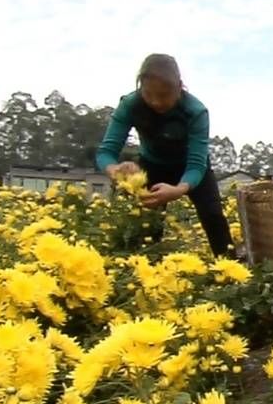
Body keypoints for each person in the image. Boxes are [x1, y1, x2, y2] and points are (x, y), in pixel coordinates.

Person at [96, 53, 237, 258]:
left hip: (191, 167)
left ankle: (230, 268)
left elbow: (197, 164)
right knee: (147, 225)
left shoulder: (195, 111)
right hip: (152, 165)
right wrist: (115, 169)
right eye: (148, 94)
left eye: (163, 95)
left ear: (179, 87)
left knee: (213, 216)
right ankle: (148, 272)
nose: (155, 102)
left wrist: (180, 189)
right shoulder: (130, 105)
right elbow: (105, 153)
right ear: (140, 88)